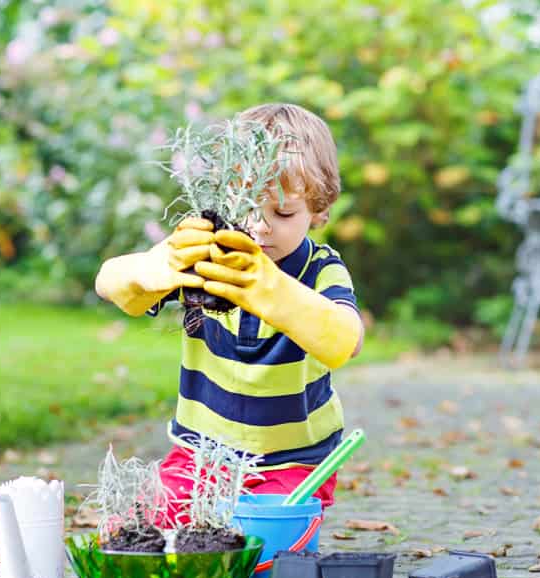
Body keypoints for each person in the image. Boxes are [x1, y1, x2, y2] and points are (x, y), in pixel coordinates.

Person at [94, 103, 363, 521]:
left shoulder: (321, 269)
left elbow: (345, 340)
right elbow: (111, 284)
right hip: (200, 457)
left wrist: (269, 289)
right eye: (248, 205)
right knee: (140, 535)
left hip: (293, 465)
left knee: (259, 550)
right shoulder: (205, 253)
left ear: (319, 210)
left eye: (284, 212)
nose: (260, 225)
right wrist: (161, 266)